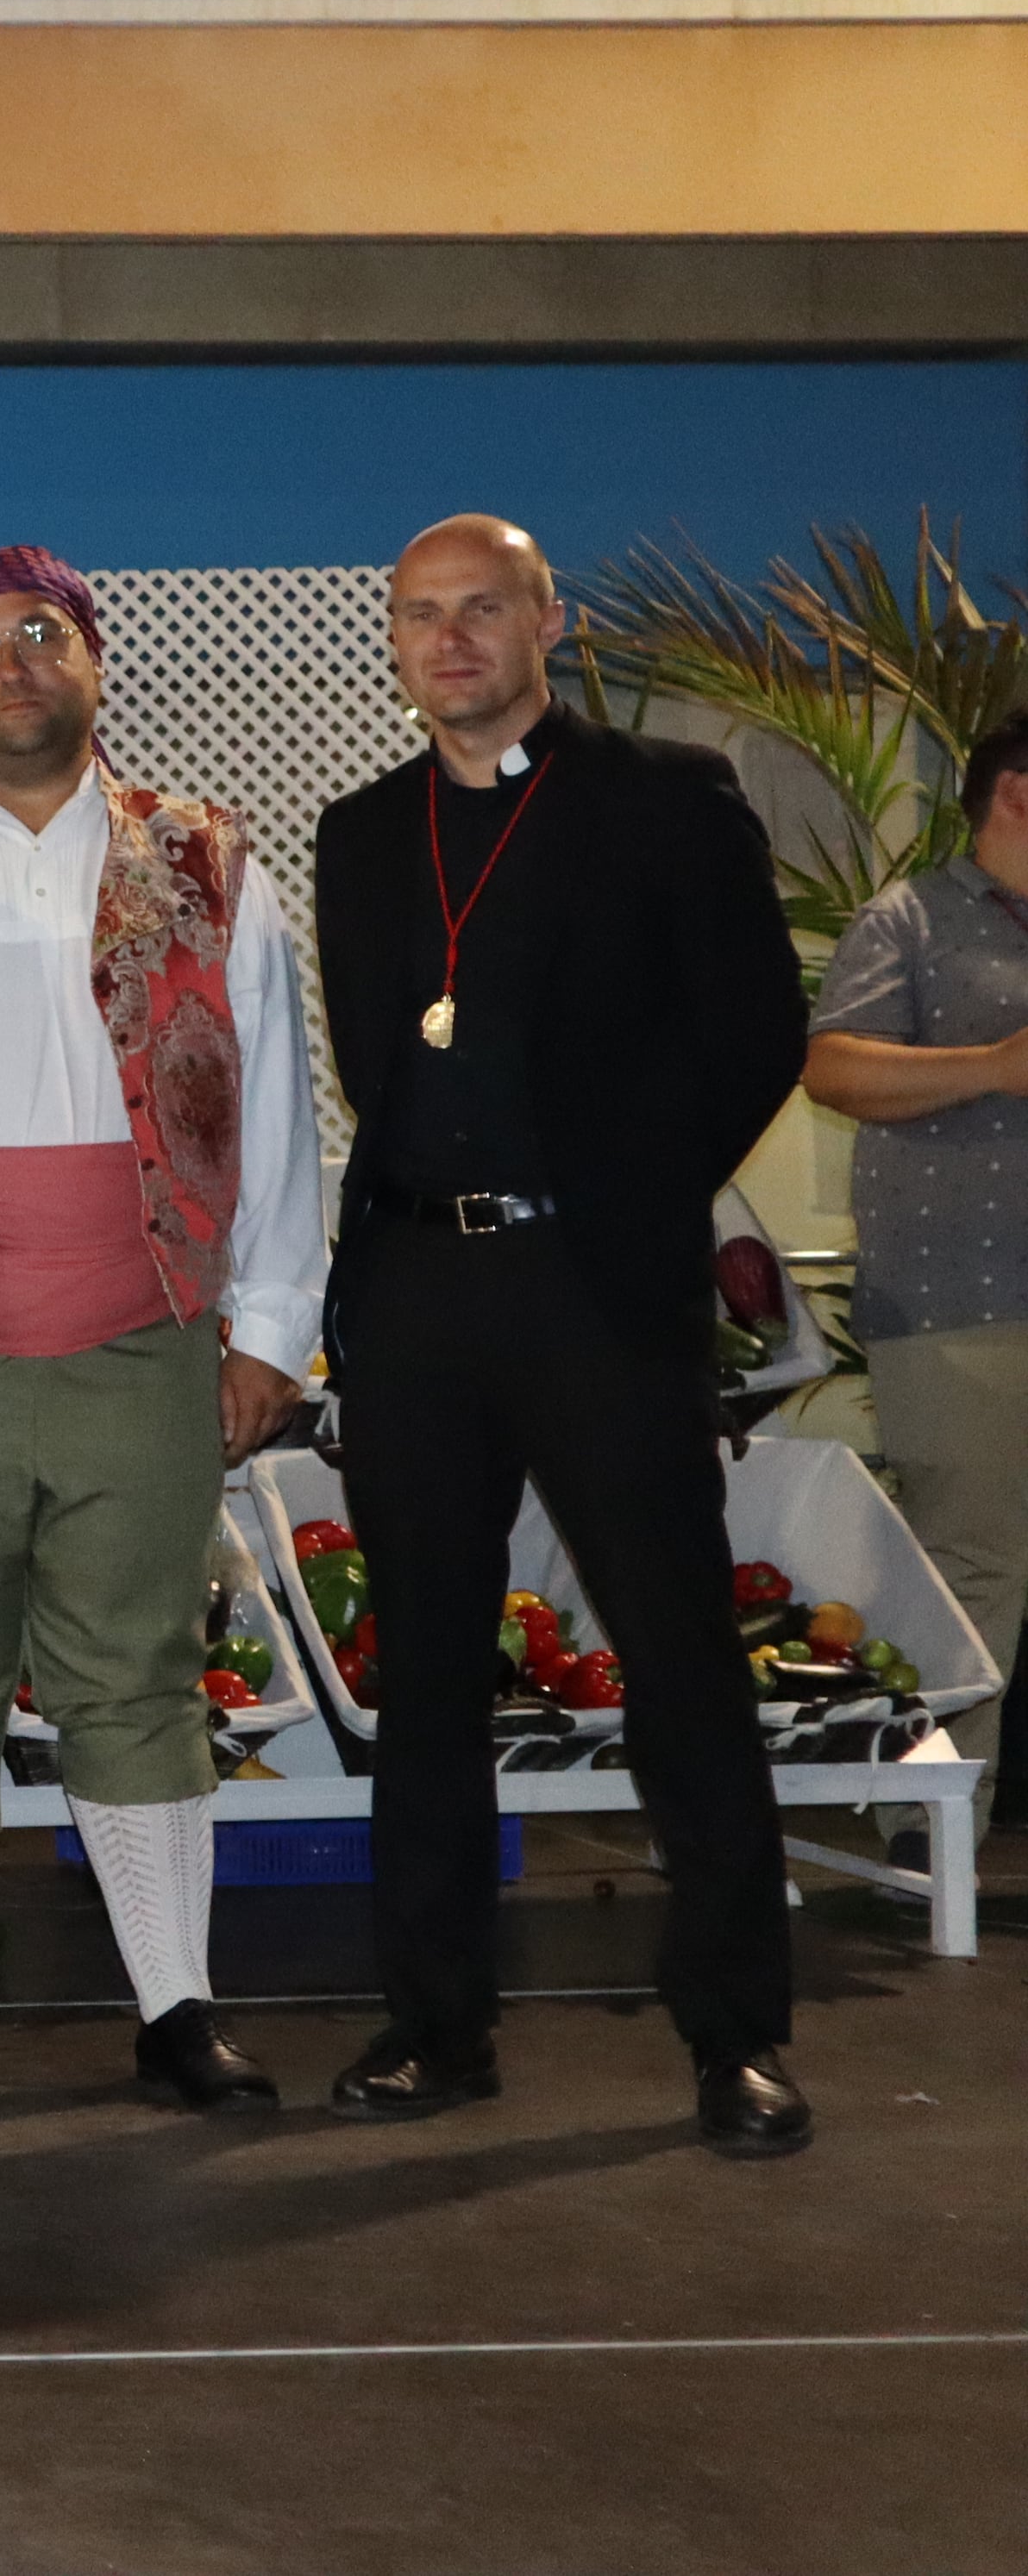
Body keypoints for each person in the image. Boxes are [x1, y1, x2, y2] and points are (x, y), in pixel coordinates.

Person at [313, 514, 813, 2155]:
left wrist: (630, 1198)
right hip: (418, 1299)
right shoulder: (364, 832)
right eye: (420, 617)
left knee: (677, 1661)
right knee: (432, 1675)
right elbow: (381, 1057)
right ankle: (435, 2025)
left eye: (480, 610)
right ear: (395, 644)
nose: (448, 640)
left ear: (546, 621)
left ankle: (736, 2034)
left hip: (595, 1288)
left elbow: (757, 1034)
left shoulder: (664, 799)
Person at [0, 547, 321, 2116]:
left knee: (140, 1671)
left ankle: (177, 2005)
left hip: (144, 1327)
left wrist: (271, 1330)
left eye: (44, 634)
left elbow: (281, 1111)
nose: (14, 661)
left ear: (96, 662)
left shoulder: (213, 859)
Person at [804, 707, 1028, 1859]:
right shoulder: (916, 918)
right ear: (1017, 794)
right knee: (976, 1571)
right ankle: (926, 1835)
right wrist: (995, 1064)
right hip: (963, 1303)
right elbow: (832, 1065)